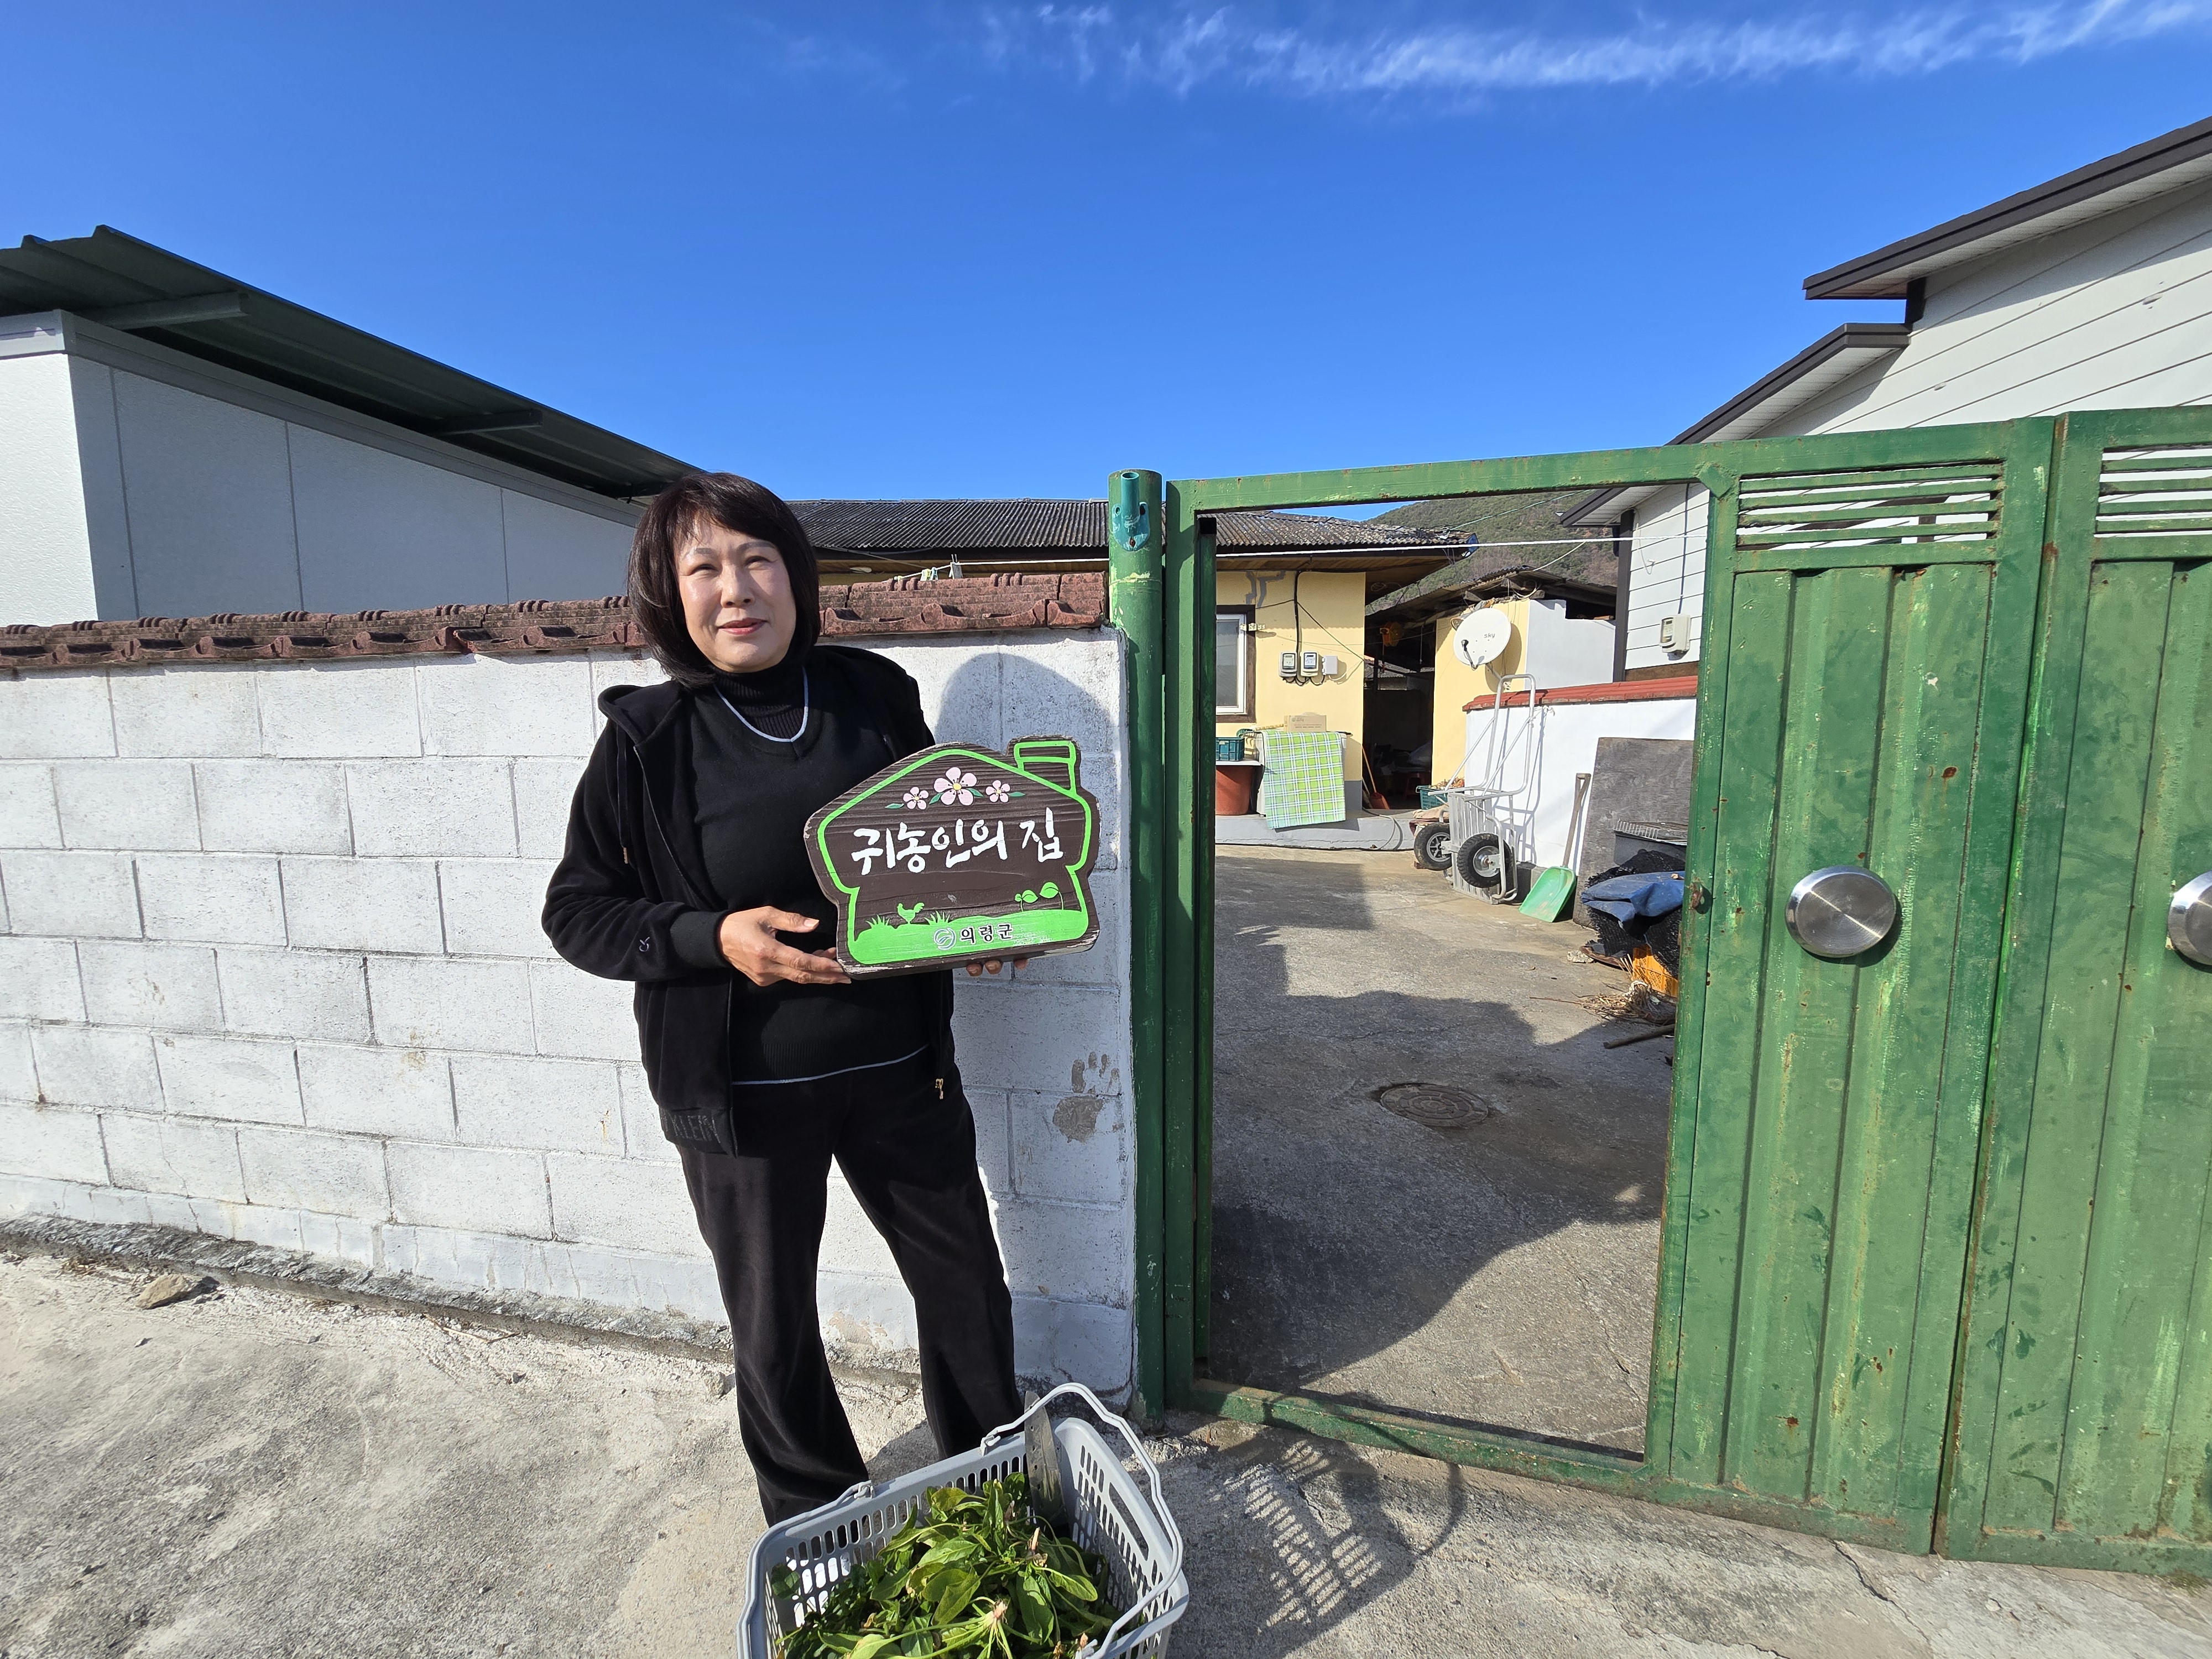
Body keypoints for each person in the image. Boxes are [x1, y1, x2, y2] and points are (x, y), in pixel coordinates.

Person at [542, 472, 1022, 1523]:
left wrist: (986, 923)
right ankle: (820, 1523)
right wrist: (713, 938)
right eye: (704, 568)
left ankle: (994, 1490)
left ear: (796, 578)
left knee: (965, 1292)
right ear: (670, 593)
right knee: (772, 1324)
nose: (736, 589)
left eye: (757, 559)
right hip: (743, 1099)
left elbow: (939, 853)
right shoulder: (646, 740)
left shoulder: (873, 696)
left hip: (903, 1071)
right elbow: (577, 912)